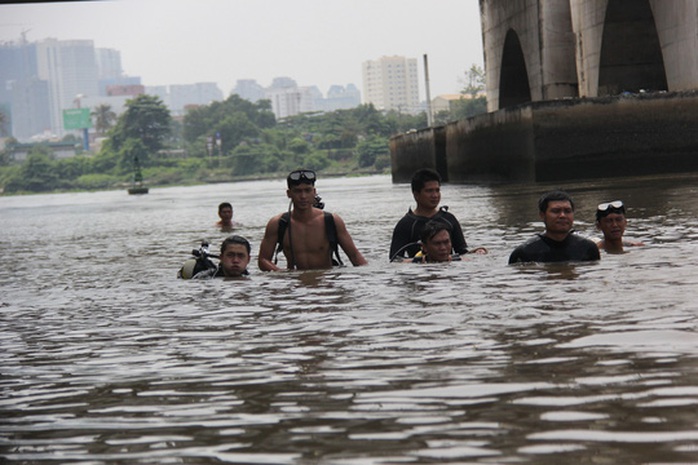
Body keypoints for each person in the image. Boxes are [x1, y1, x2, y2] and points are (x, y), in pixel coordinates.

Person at [258, 169, 368, 271]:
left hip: (326, 282)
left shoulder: (331, 221)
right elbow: (263, 260)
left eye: (307, 190)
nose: (303, 196)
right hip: (295, 286)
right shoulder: (278, 223)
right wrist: (284, 275)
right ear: (289, 194)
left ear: (314, 192)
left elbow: (354, 256)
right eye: (297, 191)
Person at [390, 168, 486, 261]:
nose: (435, 195)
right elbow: (395, 260)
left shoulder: (449, 219)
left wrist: (477, 252)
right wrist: (420, 261)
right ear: (416, 195)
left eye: (437, 190)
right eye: (429, 191)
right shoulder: (405, 225)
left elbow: (461, 252)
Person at [508, 190, 600, 264]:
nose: (562, 215)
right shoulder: (524, 253)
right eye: (556, 211)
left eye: (567, 211)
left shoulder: (588, 248)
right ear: (542, 215)